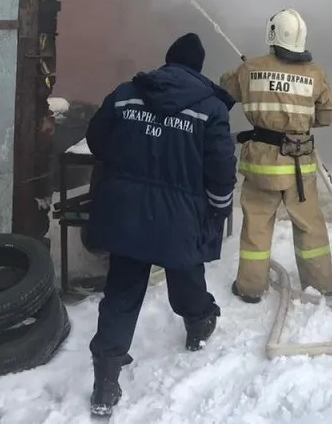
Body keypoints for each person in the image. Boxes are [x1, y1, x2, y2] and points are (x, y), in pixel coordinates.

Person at [83, 32, 237, 419]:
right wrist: (219, 207)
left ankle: (106, 379)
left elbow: (96, 139)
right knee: (186, 272)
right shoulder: (210, 109)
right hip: (179, 216)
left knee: (121, 291)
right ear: (197, 69)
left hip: (126, 213)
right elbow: (220, 170)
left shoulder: (127, 93)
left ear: (168, 61)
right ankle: (199, 323)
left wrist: (131, 162)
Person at [220, 9, 332, 304]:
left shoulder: (250, 69)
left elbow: (225, 87)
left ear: (272, 34)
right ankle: (320, 284)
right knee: (309, 226)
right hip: (298, 164)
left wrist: (248, 71)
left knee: (257, 225)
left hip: (261, 162)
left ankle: (250, 288)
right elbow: (328, 115)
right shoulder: (315, 74)